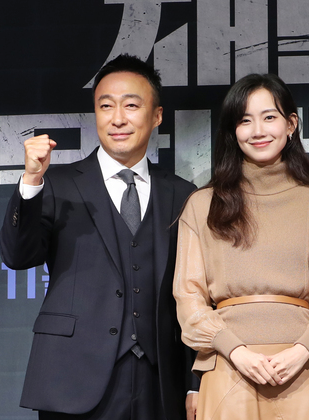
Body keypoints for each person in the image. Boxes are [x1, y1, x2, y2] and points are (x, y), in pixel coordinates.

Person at [0, 54, 198, 420]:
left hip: (159, 381)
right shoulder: (56, 184)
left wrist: (193, 382)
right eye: (105, 106)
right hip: (73, 376)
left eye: (131, 105)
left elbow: (192, 296)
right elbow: (17, 255)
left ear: (157, 115)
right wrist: (30, 181)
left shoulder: (183, 194)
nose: (117, 118)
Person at [173, 73, 309, 420]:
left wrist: (301, 351)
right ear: (232, 130)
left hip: (304, 370)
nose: (258, 130)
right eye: (245, 120)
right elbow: (188, 299)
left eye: (269, 117)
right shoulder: (202, 204)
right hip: (228, 368)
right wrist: (236, 352)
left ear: (290, 124)